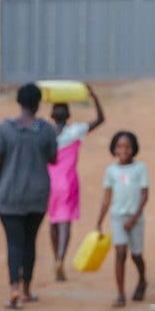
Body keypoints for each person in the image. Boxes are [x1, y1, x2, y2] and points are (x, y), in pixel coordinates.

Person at [0, 83, 58, 308]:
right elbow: (53, 158)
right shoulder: (46, 130)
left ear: (19, 102)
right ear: (38, 103)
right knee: (30, 242)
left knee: (14, 244)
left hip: (9, 195)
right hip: (37, 195)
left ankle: (14, 289)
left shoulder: (4, 129)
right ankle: (28, 288)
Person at [47, 87, 105, 282]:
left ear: (51, 115)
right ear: (69, 115)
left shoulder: (45, 133)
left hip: (49, 183)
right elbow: (100, 119)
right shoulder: (76, 131)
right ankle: (61, 258)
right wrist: (94, 96)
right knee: (66, 222)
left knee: (53, 221)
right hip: (68, 182)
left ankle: (56, 256)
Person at [96, 131, 149, 308]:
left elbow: (144, 195)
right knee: (120, 253)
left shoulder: (140, 168)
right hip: (118, 217)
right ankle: (120, 293)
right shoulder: (111, 171)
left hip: (135, 218)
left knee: (136, 255)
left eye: (127, 147)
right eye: (119, 147)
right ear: (114, 149)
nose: (123, 150)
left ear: (134, 149)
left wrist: (134, 218)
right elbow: (106, 198)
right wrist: (99, 221)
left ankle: (142, 280)